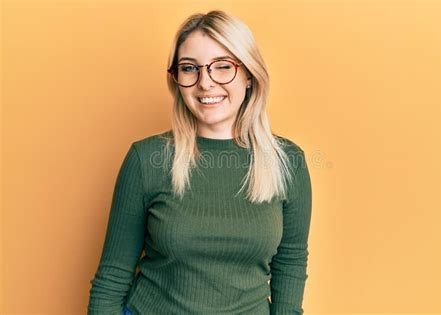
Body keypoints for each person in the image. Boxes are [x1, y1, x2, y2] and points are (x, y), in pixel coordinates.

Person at [87, 10, 312, 315]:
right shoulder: (146, 160)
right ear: (176, 79)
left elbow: (290, 265)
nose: (205, 83)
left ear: (249, 75)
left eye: (222, 67)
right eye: (190, 68)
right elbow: (111, 280)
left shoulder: (288, 162)